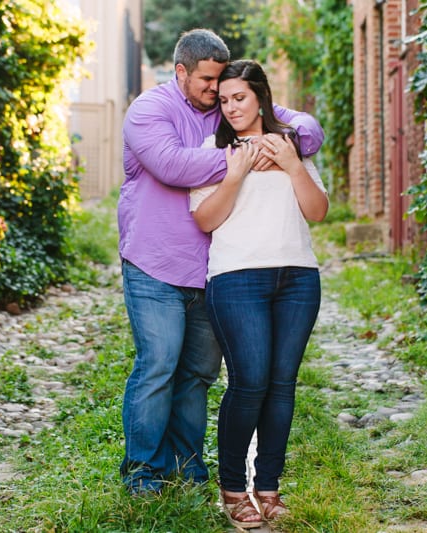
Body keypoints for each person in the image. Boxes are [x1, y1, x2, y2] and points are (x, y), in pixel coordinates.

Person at [118, 29, 324, 495]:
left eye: (223, 84)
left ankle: (189, 468)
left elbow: (306, 128)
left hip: (210, 269)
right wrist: (249, 155)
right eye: (208, 82)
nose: (217, 92)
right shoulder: (151, 110)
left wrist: (284, 149)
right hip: (156, 263)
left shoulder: (227, 107)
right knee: (158, 365)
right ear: (181, 73)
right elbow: (171, 164)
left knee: (197, 376)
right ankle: (143, 471)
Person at [189, 59, 328, 528]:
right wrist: (235, 174)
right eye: (224, 100)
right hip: (236, 278)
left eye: (240, 98)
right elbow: (205, 220)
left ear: (262, 97)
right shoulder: (212, 149)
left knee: (282, 384)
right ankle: (233, 489)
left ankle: (268, 488)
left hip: (297, 278)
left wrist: (292, 165)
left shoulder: (292, 144)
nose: (230, 107)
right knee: (249, 383)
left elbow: (317, 211)